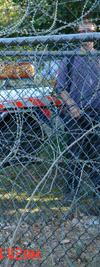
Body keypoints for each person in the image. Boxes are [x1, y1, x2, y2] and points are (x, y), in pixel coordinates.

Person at [56, 20, 100, 205]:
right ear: (77, 34)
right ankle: (71, 193)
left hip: (97, 113)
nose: (85, 34)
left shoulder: (99, 57)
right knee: (75, 155)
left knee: (97, 156)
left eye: (89, 31)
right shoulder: (70, 57)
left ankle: (97, 193)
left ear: (95, 33)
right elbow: (60, 87)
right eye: (82, 31)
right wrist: (72, 105)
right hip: (76, 114)